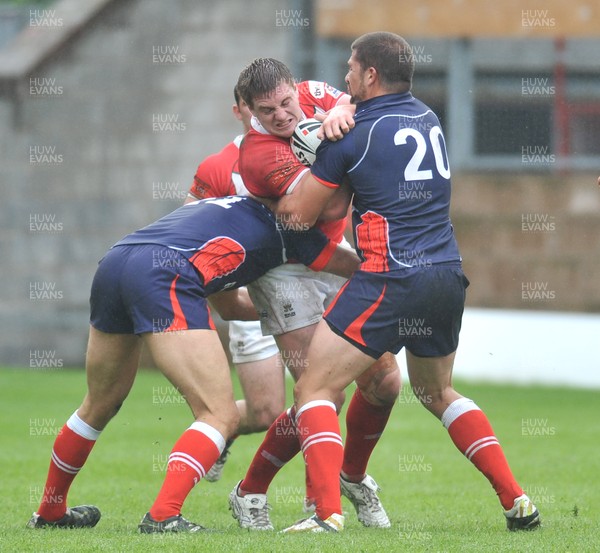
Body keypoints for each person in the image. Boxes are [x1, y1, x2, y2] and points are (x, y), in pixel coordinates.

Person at [264, 32, 541, 533]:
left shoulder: (348, 136)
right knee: (437, 393)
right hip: (446, 276)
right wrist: (338, 126)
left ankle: (327, 515)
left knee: (313, 389)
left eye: (351, 68)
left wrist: (306, 164)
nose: (344, 77)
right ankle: (517, 501)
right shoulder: (427, 117)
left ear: (370, 74)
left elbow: (300, 217)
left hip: (391, 277)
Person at [26, 195, 360, 533]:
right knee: (220, 414)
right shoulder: (295, 230)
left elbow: (229, 306)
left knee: (98, 404)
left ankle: (50, 512)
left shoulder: (228, 205)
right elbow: (363, 270)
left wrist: (281, 315)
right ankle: (162, 515)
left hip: (116, 262)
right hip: (164, 273)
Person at [227, 59, 400, 531]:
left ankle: (350, 476)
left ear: (294, 88)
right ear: (248, 112)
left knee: (385, 383)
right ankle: (256, 492)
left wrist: (342, 111)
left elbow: (359, 103)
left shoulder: (315, 93)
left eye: (286, 103)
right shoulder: (258, 154)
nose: (282, 116)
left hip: (331, 252)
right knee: (322, 392)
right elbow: (336, 203)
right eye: (267, 111)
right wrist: (334, 142)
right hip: (284, 269)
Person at [184, 87, 282, 482]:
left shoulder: (303, 152)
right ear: (239, 110)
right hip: (250, 303)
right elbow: (188, 234)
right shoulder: (217, 167)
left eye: (277, 105)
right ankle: (215, 432)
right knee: (266, 412)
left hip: (305, 294)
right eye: (258, 107)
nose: (268, 116)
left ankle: (326, 500)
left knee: (326, 394)